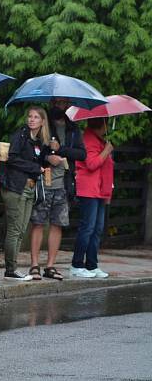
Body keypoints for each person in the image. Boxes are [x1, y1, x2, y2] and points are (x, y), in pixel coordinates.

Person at [28, 98, 85, 280]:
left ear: (68, 105)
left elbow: (81, 154)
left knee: (57, 224)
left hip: (63, 184)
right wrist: (47, 157)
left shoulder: (73, 129)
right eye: (55, 103)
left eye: (62, 103)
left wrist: (61, 150)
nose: (58, 106)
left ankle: (50, 265)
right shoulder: (44, 124)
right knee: (37, 223)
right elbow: (35, 151)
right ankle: (34, 264)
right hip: (44, 183)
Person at [1, 106, 48, 281]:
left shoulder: (38, 142)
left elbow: (41, 162)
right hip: (15, 187)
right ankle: (10, 269)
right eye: (30, 116)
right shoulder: (20, 136)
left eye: (36, 117)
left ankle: (13, 268)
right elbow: (12, 158)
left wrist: (50, 151)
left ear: (42, 122)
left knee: (21, 230)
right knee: (14, 230)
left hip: (30, 188)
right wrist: (36, 168)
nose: (32, 119)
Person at [71, 117, 113, 278]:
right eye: (105, 123)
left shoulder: (100, 140)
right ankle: (77, 264)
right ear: (101, 124)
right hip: (89, 189)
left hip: (99, 190)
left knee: (97, 229)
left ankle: (91, 264)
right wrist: (106, 151)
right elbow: (92, 164)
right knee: (87, 228)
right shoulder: (88, 139)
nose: (106, 127)